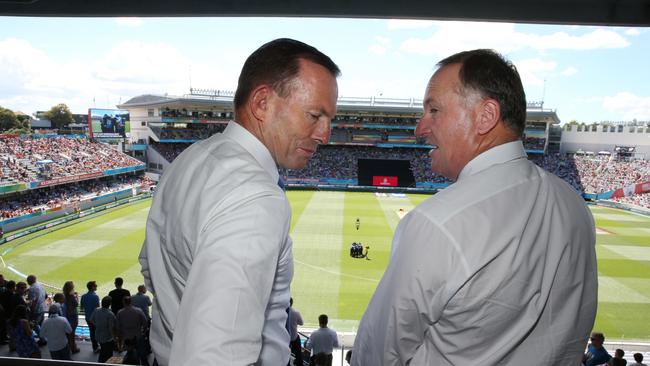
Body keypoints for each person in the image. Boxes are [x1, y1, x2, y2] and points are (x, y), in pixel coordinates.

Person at [352, 49, 597, 365]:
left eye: (434, 110)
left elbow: (376, 354)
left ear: (486, 116)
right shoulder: (573, 205)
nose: (419, 128)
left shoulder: (438, 222)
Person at [139, 38, 339, 366]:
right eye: (314, 115)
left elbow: (152, 265)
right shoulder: (256, 196)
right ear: (262, 102)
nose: (324, 134)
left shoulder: (188, 160)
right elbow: (215, 356)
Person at [116, 296, 148, 366]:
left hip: (126, 337)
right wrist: (144, 332)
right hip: (138, 335)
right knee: (142, 355)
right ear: (131, 302)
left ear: (123, 302)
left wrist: (119, 340)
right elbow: (145, 322)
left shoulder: (120, 312)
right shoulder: (138, 310)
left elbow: (118, 327)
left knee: (130, 354)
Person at [89, 296, 117, 363]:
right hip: (107, 338)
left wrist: (98, 325)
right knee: (107, 354)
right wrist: (114, 338)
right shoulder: (110, 314)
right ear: (110, 304)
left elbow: (91, 320)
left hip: (98, 335)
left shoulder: (96, 310)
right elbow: (111, 328)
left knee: (103, 351)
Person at [80, 280, 100, 353]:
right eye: (95, 285)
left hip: (88, 317)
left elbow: (81, 307)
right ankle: (97, 346)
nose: (96, 286)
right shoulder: (95, 296)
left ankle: (95, 347)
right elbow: (98, 308)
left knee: (92, 332)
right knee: (97, 332)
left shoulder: (83, 296)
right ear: (92, 287)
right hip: (95, 318)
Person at [62, 281, 80, 353]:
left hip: (66, 315)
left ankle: (69, 347)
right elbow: (76, 304)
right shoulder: (71, 296)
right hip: (72, 316)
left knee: (67, 333)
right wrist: (77, 296)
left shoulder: (64, 295)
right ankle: (73, 348)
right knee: (72, 333)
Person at [287, 297, 304, 366]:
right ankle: (299, 363)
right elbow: (301, 323)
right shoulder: (296, 313)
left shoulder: (282, 313)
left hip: (285, 338)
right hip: (294, 338)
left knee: (285, 353)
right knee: (298, 354)